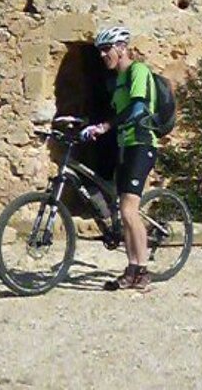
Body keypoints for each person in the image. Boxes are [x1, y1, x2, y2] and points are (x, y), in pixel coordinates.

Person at [80, 25, 158, 291]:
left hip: (142, 143)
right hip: (125, 145)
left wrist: (105, 127)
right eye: (100, 51)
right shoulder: (115, 81)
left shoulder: (138, 71)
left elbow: (137, 108)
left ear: (122, 48)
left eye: (107, 49)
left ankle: (143, 271)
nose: (103, 56)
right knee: (122, 212)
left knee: (128, 210)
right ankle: (131, 268)